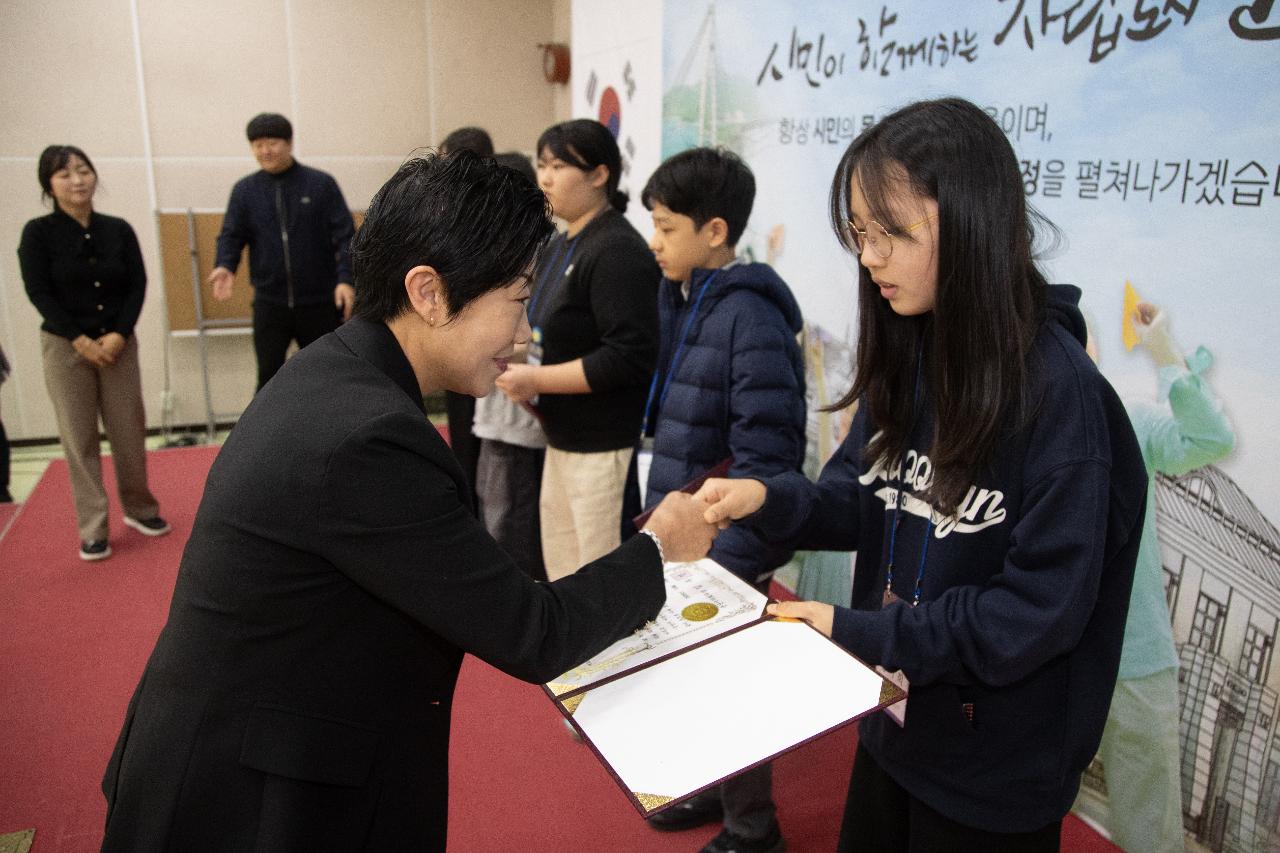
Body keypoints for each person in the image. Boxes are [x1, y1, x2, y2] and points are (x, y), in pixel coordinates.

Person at [98, 150, 717, 853]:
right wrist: (660, 546)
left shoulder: (337, 373)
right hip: (250, 800)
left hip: (251, 754)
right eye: (518, 300)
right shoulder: (367, 439)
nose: (523, 335)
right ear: (428, 292)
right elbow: (533, 632)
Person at [694, 98, 1149, 852]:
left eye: (893, 233)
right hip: (893, 721)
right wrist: (766, 498)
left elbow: (1036, 612)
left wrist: (861, 630)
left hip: (994, 769)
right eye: (859, 234)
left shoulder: (1061, 398)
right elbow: (861, 498)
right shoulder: (912, 349)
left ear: (973, 224)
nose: (869, 258)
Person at [640, 147, 805, 853]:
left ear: (714, 231)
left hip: (726, 543)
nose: (654, 241)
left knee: (732, 679)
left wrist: (729, 555)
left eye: (666, 227)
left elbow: (767, 458)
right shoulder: (690, 299)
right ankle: (714, 785)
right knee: (696, 674)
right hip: (690, 537)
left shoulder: (750, 318)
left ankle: (753, 829)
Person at [1073, 299, 1234, 853]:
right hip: (1055, 656)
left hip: (1135, 658)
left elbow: (1210, 439)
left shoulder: (1130, 420)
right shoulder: (1024, 428)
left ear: (1093, 349)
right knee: (1033, 811)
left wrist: (1165, 351)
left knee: (1150, 832)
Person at [496, 119, 660, 581]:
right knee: (564, 575)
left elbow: (627, 356)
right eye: (542, 165)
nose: (545, 178)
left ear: (600, 174)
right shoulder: (559, 244)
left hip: (602, 445)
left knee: (599, 580)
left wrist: (535, 379)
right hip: (560, 437)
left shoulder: (617, 249)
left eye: (558, 166)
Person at [17, 145, 170, 560]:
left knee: (128, 430)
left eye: (83, 171)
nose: (77, 181)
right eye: (64, 174)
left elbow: (137, 284)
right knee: (79, 436)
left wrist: (120, 333)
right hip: (66, 347)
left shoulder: (117, 229)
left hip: (118, 344)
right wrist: (79, 339)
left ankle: (140, 508)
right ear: (49, 184)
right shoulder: (37, 233)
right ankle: (93, 526)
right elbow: (38, 291)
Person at [209, 112, 356, 391]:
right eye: (258, 145)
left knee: (328, 376)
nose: (265, 151)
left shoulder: (320, 184)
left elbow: (346, 235)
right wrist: (225, 265)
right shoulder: (244, 191)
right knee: (268, 379)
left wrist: (346, 279)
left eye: (272, 143)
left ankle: (327, 421)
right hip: (270, 303)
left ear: (289, 143)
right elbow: (231, 234)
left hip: (319, 302)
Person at [472, 151, 550, 580]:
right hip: (494, 413)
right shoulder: (491, 248)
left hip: (519, 417)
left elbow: (533, 335)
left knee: (510, 524)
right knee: (493, 511)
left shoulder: (539, 253)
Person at [437, 126, 496, 502]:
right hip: (456, 340)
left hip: (486, 344)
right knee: (463, 442)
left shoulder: (495, 216)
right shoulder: (448, 212)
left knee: (483, 450)